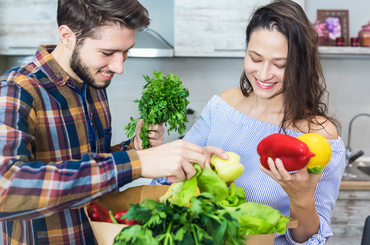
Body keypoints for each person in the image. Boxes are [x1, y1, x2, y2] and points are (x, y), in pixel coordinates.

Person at [0, 0, 227, 244]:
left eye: (126, 52)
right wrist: (137, 162)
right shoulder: (17, 90)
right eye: (107, 53)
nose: (118, 67)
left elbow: (84, 162)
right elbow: (6, 188)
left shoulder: (92, 81)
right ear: (67, 36)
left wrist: (133, 148)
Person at [172, 0, 346, 244]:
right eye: (255, 58)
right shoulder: (223, 106)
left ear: (300, 66)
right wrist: (195, 168)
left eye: (280, 65)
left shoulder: (318, 136)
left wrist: (301, 198)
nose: (264, 74)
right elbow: (166, 185)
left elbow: (310, 240)